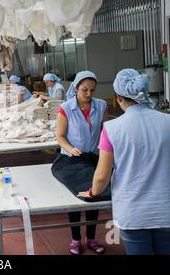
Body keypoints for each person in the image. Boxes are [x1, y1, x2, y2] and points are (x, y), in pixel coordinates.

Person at [78, 69, 170, 255]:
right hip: (169, 211)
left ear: (118, 98)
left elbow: (102, 176)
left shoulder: (112, 129)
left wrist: (92, 192)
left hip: (134, 214)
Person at [53, 71, 109, 255]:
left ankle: (91, 238)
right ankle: (75, 239)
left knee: (94, 194)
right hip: (71, 159)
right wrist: (70, 148)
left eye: (92, 90)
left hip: (92, 157)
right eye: (84, 90)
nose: (88, 94)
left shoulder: (101, 106)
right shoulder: (66, 108)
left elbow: (104, 131)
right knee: (76, 197)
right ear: (76, 88)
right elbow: (60, 136)